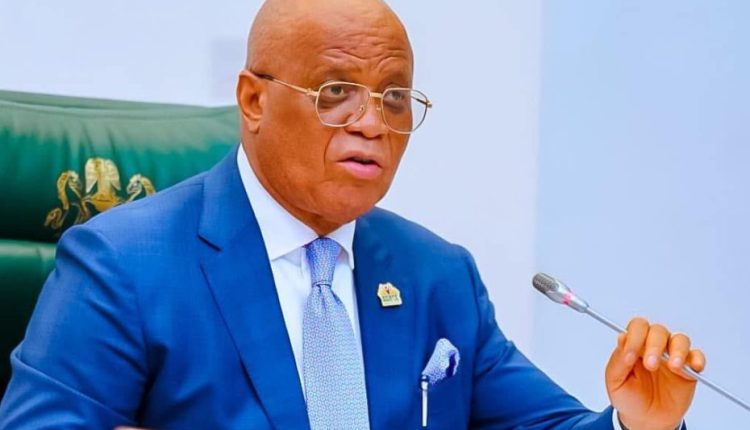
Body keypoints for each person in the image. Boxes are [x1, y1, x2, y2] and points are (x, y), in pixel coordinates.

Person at [0, 0, 705, 429]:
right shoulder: (124, 264)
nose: (372, 123)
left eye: (395, 97)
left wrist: (636, 425)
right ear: (253, 100)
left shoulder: (437, 276)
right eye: (337, 91)